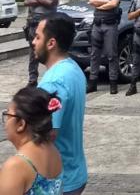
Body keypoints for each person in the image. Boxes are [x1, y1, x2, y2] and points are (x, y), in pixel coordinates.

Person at [33, 13, 88, 195]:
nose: (33, 42)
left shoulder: (52, 83)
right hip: (75, 172)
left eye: (38, 37)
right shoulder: (73, 68)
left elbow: (48, 134)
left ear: (51, 43)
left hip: (60, 182)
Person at [0, 87, 63, 195]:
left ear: (21, 124)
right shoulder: (53, 150)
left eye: (8, 115)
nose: (5, 122)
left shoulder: (15, 166)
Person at [86, 0, 123, 94]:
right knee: (94, 54)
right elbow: (91, 0)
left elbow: (114, 4)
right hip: (97, 25)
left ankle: (113, 82)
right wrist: (105, 3)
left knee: (111, 54)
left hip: (110, 25)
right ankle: (93, 82)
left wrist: (99, 4)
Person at [23, 0, 61, 86]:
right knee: (33, 51)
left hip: (49, 23)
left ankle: (51, 76)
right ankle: (32, 79)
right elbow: (26, 1)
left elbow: (51, 3)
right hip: (34, 23)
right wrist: (42, 0)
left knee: (50, 50)